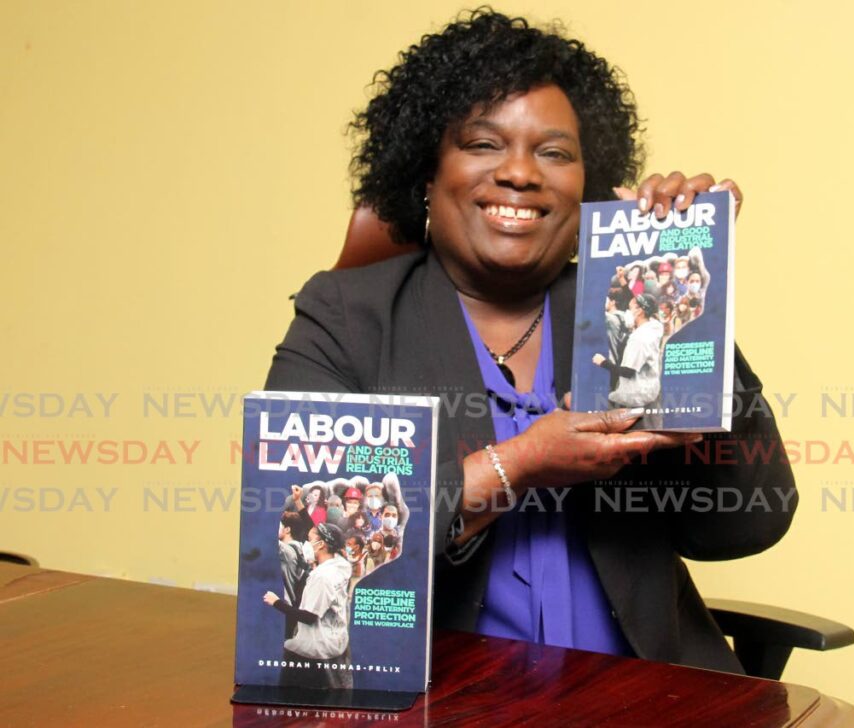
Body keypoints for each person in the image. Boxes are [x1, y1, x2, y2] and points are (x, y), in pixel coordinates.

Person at [266, 9, 795, 674]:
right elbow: (304, 532)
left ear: (588, 188)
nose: (521, 173)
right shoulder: (348, 316)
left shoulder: (623, 303)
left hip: (650, 695)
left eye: (554, 152)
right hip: (449, 697)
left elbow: (750, 522)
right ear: (426, 176)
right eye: (484, 144)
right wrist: (520, 465)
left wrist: (698, 296)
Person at [263, 523, 354, 689]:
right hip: (337, 642)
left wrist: (276, 602)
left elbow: (309, 617)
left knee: (291, 694)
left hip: (316, 649)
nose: (306, 544)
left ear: (321, 544)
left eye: (310, 539)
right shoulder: (342, 565)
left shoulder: (322, 578)